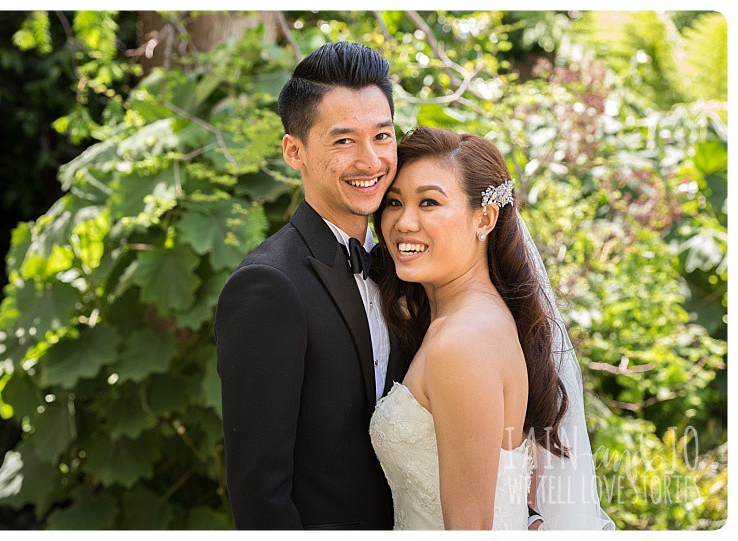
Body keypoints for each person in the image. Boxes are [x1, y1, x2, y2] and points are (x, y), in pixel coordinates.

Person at [369, 127, 615, 530]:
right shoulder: (483, 320)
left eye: (429, 202)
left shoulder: (461, 343)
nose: (403, 222)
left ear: (485, 217)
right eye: (394, 202)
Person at [214, 41, 408, 529]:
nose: (371, 161)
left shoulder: (408, 264)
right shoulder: (267, 287)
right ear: (293, 151)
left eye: (382, 136)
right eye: (344, 141)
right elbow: (261, 495)